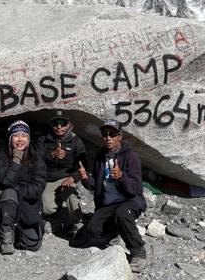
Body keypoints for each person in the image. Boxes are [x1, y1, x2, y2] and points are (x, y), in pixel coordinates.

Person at [72, 119, 148, 272]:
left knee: (122, 213)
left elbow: (135, 189)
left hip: (130, 200)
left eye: (112, 134)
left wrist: (121, 177)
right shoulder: (101, 155)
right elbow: (96, 186)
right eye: (105, 134)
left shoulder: (130, 156)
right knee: (92, 231)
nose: (108, 138)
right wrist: (86, 178)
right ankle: (115, 231)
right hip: (108, 204)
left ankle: (138, 252)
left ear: (120, 136)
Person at [0, 120, 46, 254]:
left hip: (27, 199)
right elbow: (5, 182)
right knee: (9, 192)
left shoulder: (36, 159)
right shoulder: (1, 158)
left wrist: (18, 189)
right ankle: (6, 236)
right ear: (10, 139)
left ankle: (24, 227)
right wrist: (16, 159)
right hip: (8, 199)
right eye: (16, 136)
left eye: (24, 136)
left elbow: (38, 188)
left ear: (29, 139)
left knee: (31, 244)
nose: (20, 139)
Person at [37, 110, 88, 235]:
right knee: (47, 208)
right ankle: (55, 215)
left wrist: (73, 178)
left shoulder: (76, 141)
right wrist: (52, 155)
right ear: (51, 125)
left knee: (71, 193)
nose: (59, 127)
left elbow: (84, 164)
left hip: (67, 178)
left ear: (68, 124)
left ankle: (77, 224)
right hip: (48, 179)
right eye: (56, 124)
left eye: (62, 123)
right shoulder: (43, 140)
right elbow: (36, 161)